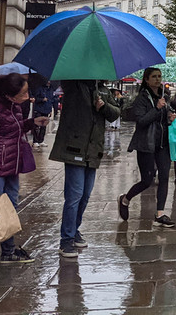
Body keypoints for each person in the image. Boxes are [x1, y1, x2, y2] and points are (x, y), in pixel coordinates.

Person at [0, 73, 50, 278]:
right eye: (23, 93)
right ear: (10, 93)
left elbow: (14, 129)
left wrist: (33, 123)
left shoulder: (13, 105)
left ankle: (8, 251)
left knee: (10, 209)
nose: (26, 96)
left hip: (12, 165)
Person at [49, 79, 120, 258]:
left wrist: (103, 107)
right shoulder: (74, 86)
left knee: (85, 196)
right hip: (75, 147)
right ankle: (66, 239)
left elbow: (115, 113)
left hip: (93, 150)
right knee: (74, 195)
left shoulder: (103, 90)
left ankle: (74, 230)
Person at [118, 67, 176, 227]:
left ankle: (160, 214)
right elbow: (141, 121)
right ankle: (125, 199)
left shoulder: (164, 96)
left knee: (164, 177)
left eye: (159, 76)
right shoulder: (141, 99)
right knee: (147, 180)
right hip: (146, 144)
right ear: (146, 79)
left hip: (163, 143)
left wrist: (170, 116)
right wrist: (157, 108)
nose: (157, 79)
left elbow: (163, 119)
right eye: (154, 77)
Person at [31, 79, 55, 148]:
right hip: (39, 109)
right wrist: (42, 99)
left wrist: (50, 110)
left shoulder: (51, 89)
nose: (49, 82)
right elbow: (36, 98)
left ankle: (41, 140)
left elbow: (51, 100)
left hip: (46, 110)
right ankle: (35, 141)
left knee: (44, 126)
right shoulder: (40, 88)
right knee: (36, 126)